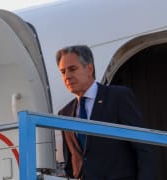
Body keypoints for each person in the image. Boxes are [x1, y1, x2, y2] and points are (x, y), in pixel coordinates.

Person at [56, 45, 154, 180]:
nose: (67, 76)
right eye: (62, 72)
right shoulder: (64, 113)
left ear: (89, 69)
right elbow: (70, 164)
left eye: (72, 69)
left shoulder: (118, 97)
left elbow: (143, 147)